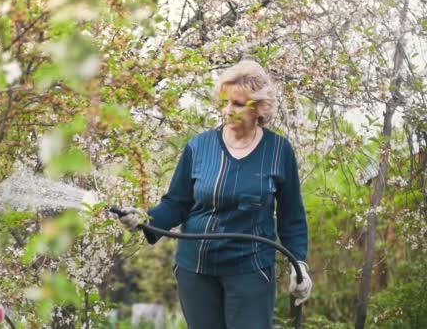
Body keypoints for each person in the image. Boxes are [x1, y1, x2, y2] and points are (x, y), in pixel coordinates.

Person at [113, 59, 312, 328]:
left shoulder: (278, 151)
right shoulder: (199, 146)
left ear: (259, 109)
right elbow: (176, 203)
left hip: (251, 272)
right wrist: (145, 219)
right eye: (225, 102)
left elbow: (292, 216)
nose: (228, 111)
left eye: (238, 104)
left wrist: (298, 264)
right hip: (196, 270)